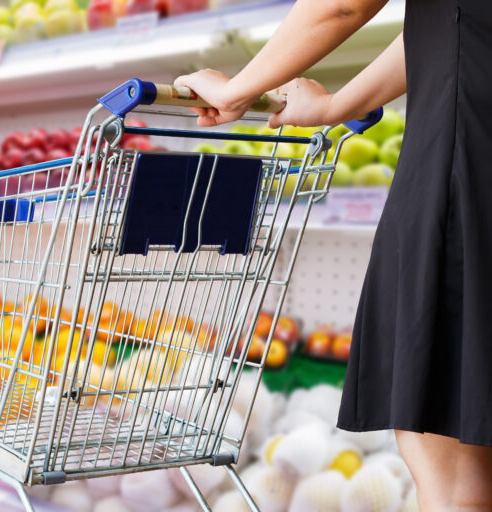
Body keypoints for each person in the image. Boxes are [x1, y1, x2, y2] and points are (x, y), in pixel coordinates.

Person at [174, 0, 492, 510]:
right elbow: (449, 23)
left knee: (456, 476)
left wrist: (235, 91)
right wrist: (334, 106)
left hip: (469, 164)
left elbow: (342, 5)